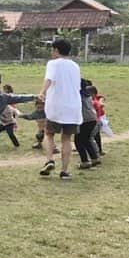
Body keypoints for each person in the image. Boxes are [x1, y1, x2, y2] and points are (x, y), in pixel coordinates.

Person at [38, 39, 82, 180]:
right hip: (73, 106)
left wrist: (42, 92)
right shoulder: (75, 66)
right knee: (67, 139)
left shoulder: (53, 64)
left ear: (56, 50)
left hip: (56, 106)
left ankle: (50, 160)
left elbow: (49, 79)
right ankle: (64, 171)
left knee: (49, 134)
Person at [76, 79, 101, 170]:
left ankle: (85, 161)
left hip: (84, 120)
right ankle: (94, 158)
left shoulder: (78, 95)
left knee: (78, 141)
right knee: (85, 140)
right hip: (92, 119)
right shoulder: (87, 94)